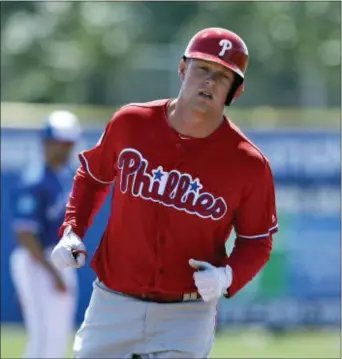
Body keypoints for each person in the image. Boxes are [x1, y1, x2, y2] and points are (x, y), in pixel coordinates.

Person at [51, 27, 279, 358]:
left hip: (186, 315)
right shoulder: (131, 122)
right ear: (183, 68)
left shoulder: (249, 163)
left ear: (235, 91)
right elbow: (93, 176)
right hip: (112, 304)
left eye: (223, 76)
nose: (210, 82)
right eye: (203, 69)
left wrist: (228, 276)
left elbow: (258, 240)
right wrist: (72, 229)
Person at [10, 111, 82, 358]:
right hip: (37, 260)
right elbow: (24, 234)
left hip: (57, 258)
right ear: (47, 142)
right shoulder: (35, 178)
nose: (65, 148)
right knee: (42, 338)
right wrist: (53, 274)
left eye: (69, 142)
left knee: (59, 337)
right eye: (61, 142)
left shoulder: (65, 175)